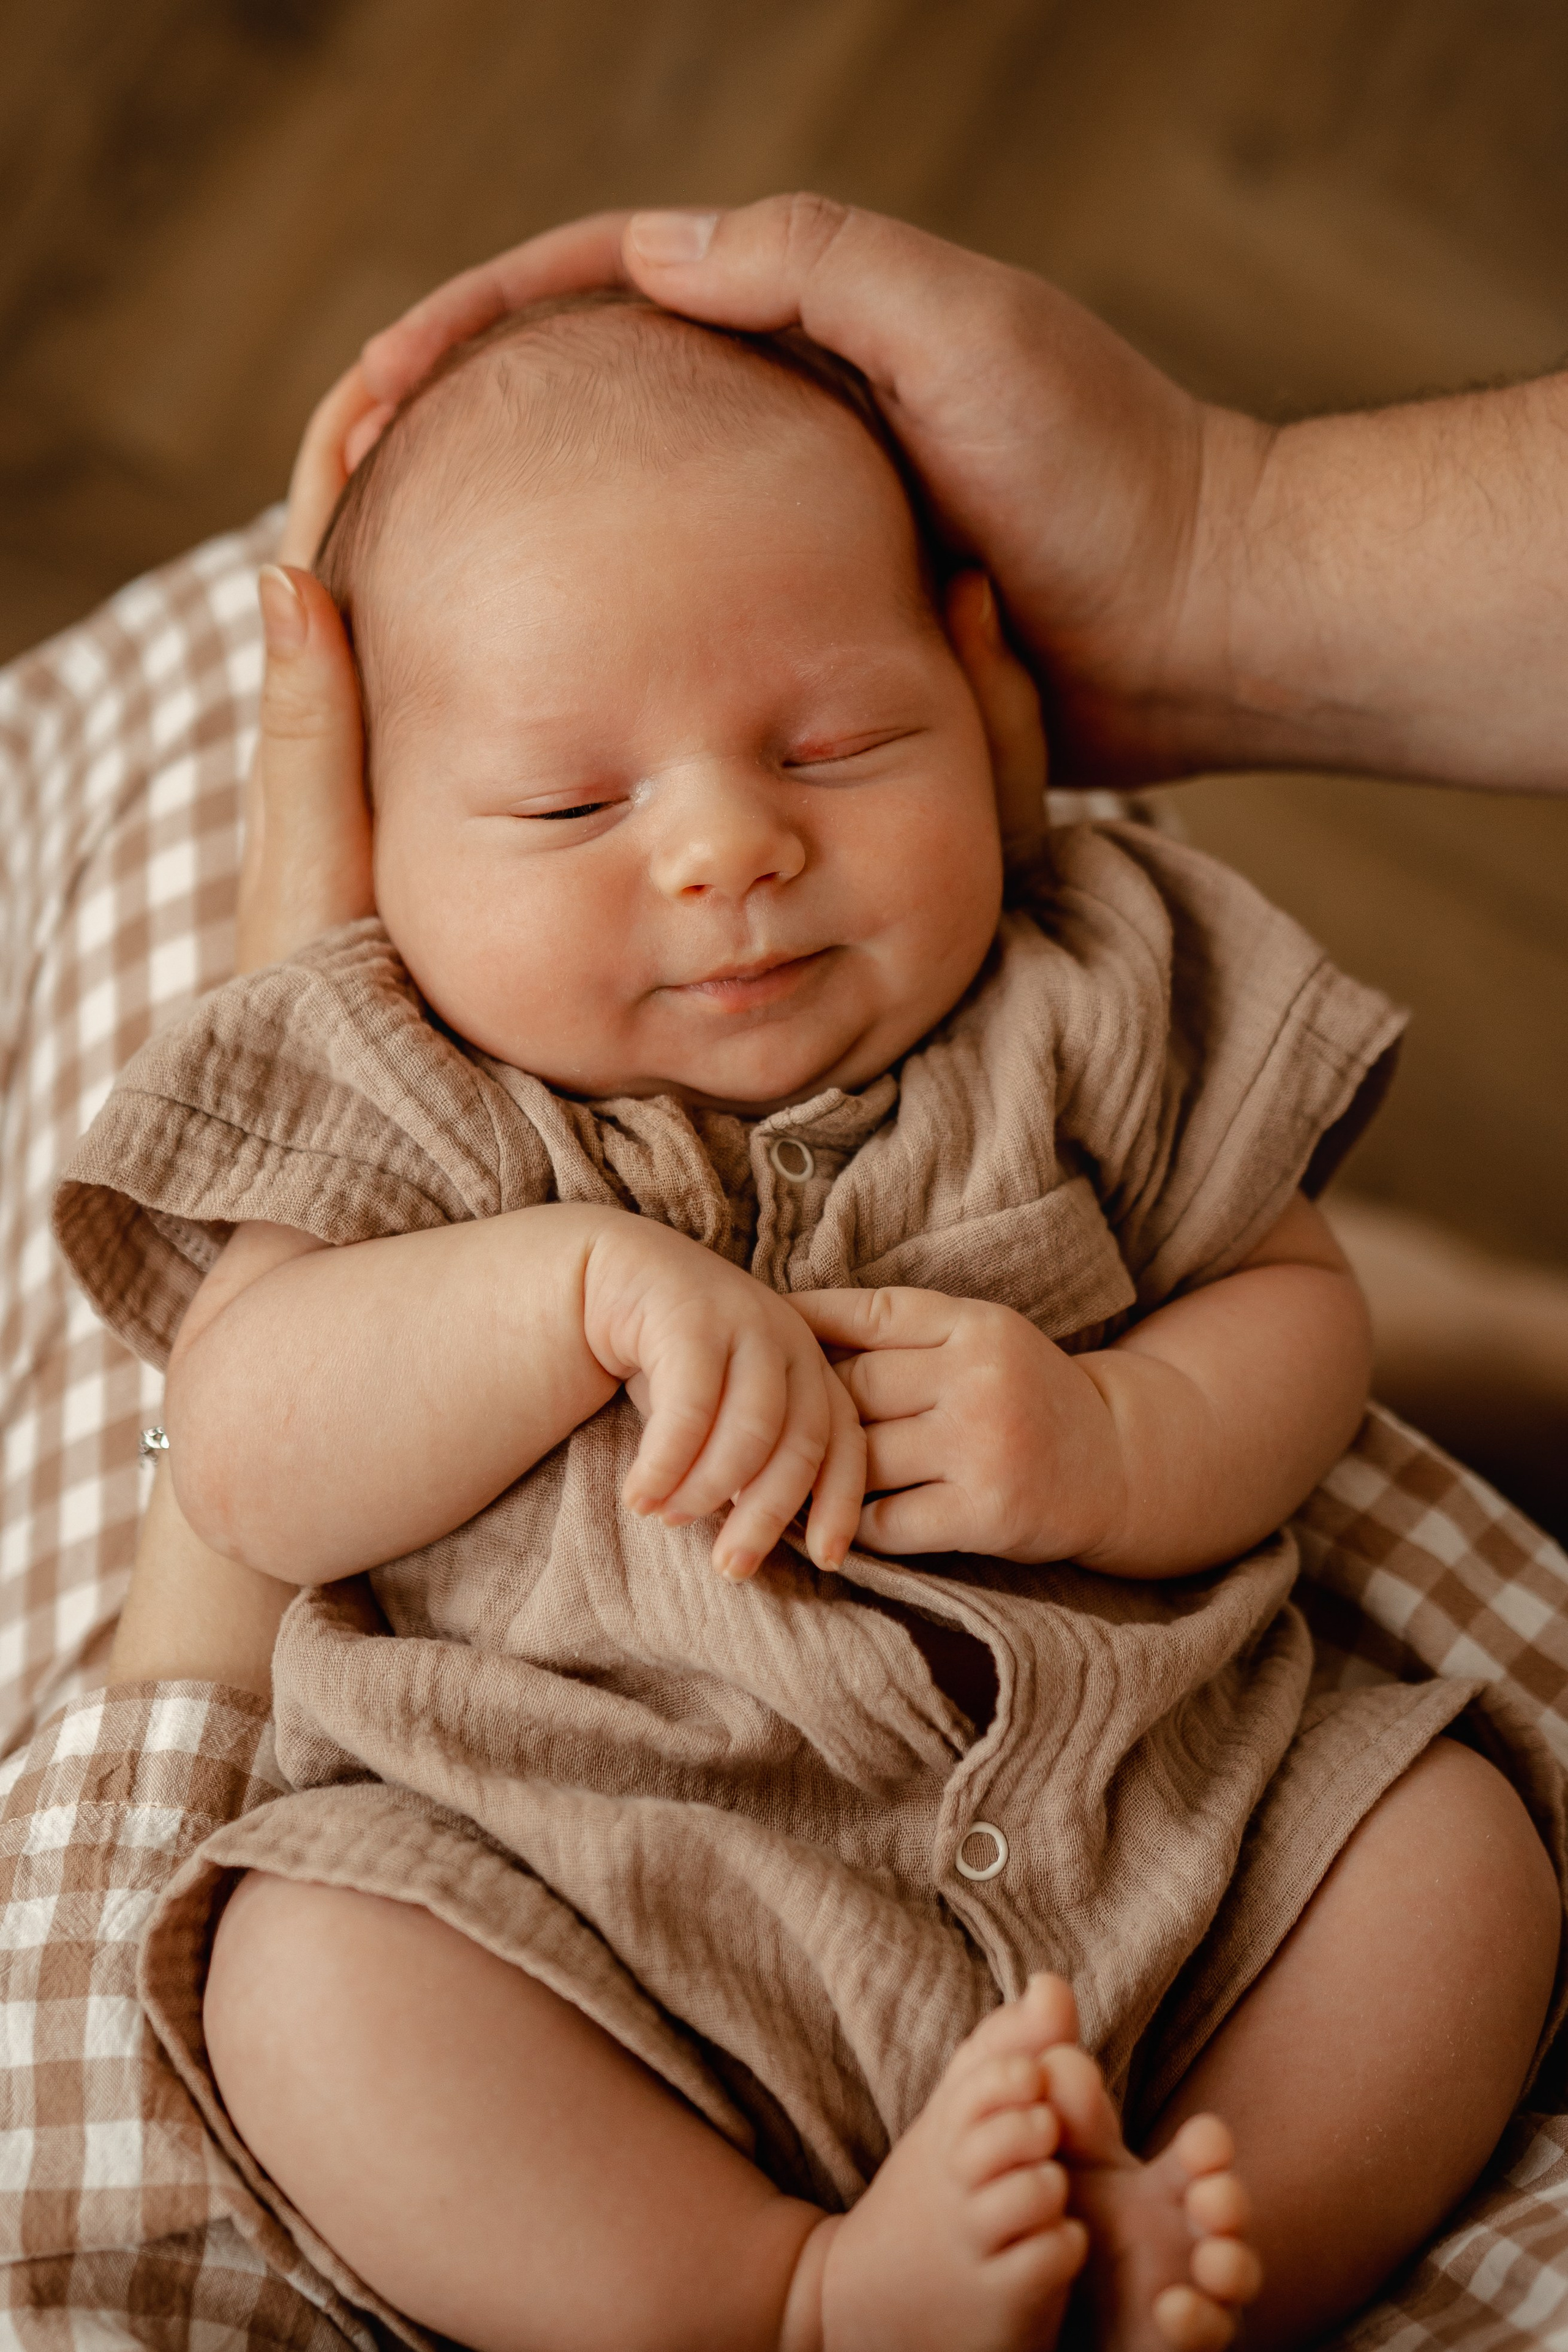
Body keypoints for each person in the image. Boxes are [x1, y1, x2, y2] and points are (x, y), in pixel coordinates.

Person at [58, 288, 1561, 2352]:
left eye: (839, 746)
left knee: (1456, 1853)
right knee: (307, 1973)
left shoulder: (1091, 977)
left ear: (973, 690)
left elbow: (1299, 1307)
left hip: (1168, 1845)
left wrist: (1118, 1438)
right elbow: (237, 1456)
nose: (729, 847)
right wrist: (557, 1291)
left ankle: (1208, 2252)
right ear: (385, 841)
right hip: (595, 1926)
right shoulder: (389, 1076)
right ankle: (797, 2298)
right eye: (573, 808)